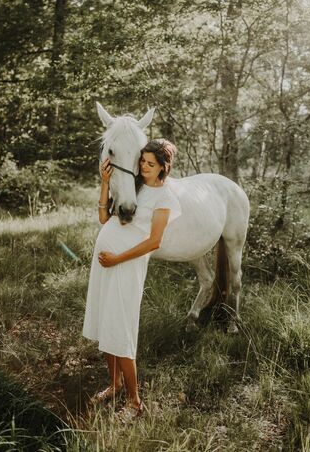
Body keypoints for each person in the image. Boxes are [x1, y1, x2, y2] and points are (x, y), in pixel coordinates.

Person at [82, 139, 182, 422]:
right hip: (105, 265)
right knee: (106, 322)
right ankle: (114, 385)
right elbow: (105, 218)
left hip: (126, 267)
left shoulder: (166, 199)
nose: (144, 167)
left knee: (122, 328)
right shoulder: (133, 187)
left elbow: (154, 241)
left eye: (150, 164)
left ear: (164, 167)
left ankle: (134, 401)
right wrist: (104, 183)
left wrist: (117, 258)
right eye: (142, 162)